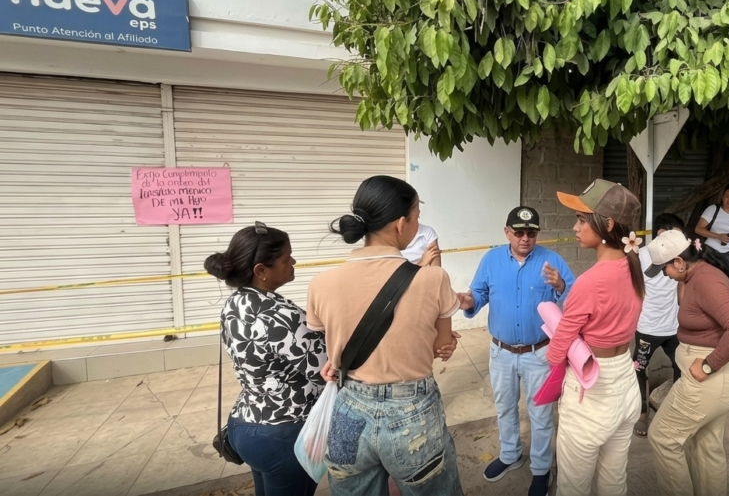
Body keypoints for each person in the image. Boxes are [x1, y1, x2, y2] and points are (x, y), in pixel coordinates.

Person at [309, 176, 463, 496]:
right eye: (417, 217)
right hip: (413, 413)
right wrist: (441, 341)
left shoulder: (321, 283)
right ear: (401, 223)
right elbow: (440, 345)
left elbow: (333, 350)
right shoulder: (433, 279)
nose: (418, 226)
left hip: (348, 409)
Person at [456, 206, 576, 496]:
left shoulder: (552, 260)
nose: (525, 238)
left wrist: (560, 285)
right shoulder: (492, 260)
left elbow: (574, 298)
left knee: (541, 414)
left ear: (537, 234)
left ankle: (540, 469)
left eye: (531, 233)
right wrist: (466, 301)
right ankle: (510, 455)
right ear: (506, 232)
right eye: (519, 232)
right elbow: (479, 295)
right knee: (505, 407)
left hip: (539, 353)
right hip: (502, 353)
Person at [206, 222, 327, 496]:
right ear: (261, 270)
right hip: (284, 433)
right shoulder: (282, 315)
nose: (294, 261)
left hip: (244, 424)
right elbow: (325, 370)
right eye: (286, 259)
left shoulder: (235, 304)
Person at [549, 179, 645, 496]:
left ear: (606, 224)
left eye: (580, 218)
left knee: (572, 487)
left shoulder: (589, 282)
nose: (575, 227)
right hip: (626, 385)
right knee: (614, 481)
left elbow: (555, 353)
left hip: (591, 395)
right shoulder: (632, 267)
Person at [645, 230, 729, 496]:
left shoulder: (706, 281)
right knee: (706, 444)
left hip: (713, 377)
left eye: (665, 268)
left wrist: (708, 365)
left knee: (663, 437)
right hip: (721, 377)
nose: (665, 274)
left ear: (680, 262)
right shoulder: (698, 275)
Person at [633, 213, 686, 438]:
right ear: (661, 234)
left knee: (681, 367)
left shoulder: (683, 258)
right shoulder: (641, 257)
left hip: (675, 327)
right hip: (647, 328)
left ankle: (677, 413)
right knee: (639, 369)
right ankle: (642, 413)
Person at [695, 184, 729, 271]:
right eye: (727, 196)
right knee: (709, 278)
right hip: (710, 252)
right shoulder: (713, 209)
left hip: (728, 254)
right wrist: (718, 236)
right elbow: (698, 229)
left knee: (727, 279)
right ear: (722, 197)